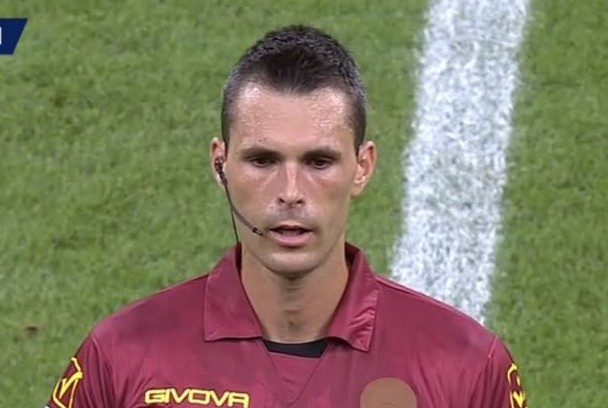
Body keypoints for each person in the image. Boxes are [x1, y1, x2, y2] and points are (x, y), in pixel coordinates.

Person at [45, 24, 528, 408]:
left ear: (362, 167)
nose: (291, 193)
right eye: (263, 161)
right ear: (221, 165)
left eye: (319, 162)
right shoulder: (120, 357)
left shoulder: (468, 368)